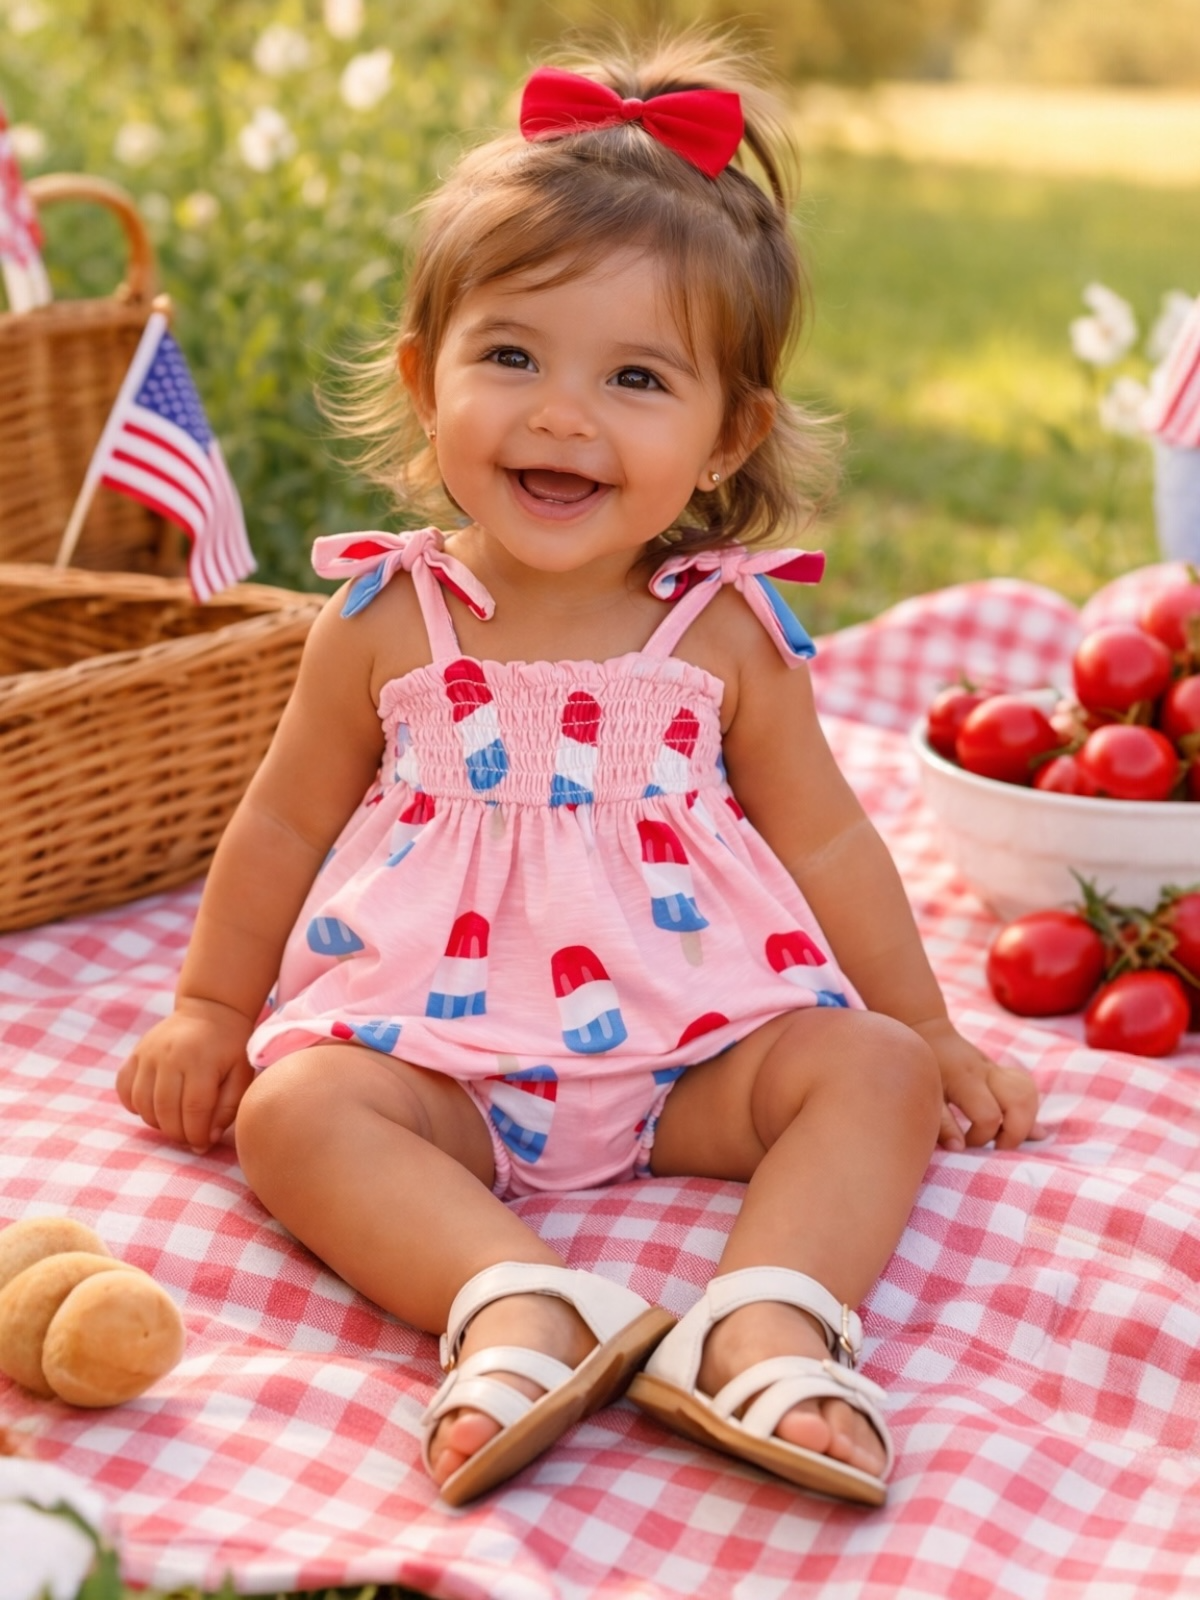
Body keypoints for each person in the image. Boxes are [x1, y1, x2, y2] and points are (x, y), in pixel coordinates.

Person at [116, 33, 1042, 1510]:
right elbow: (284, 817)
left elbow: (833, 838)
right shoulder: (382, 616)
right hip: (442, 1067)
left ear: (727, 432)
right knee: (292, 1117)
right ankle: (519, 1299)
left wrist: (929, 1025)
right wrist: (214, 1009)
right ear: (426, 381)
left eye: (634, 377)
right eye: (511, 357)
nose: (562, 413)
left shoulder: (721, 628)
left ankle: (770, 1316)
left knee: (863, 1070)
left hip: (693, 1056)